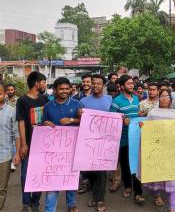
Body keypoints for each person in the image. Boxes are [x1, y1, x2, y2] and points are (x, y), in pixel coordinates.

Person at [42, 77, 80, 212]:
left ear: (70, 89)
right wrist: (46, 123)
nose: (64, 91)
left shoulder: (76, 104)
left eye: (67, 88)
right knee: (53, 183)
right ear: (55, 90)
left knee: (71, 178)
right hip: (53, 152)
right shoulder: (47, 106)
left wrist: (71, 119)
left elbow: (84, 121)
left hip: (73, 149)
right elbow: (42, 124)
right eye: (61, 89)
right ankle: (49, 209)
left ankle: (71, 204)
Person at [141, 89, 175, 212]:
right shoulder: (152, 113)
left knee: (174, 178)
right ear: (159, 98)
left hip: (173, 151)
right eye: (162, 96)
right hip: (157, 151)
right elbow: (147, 130)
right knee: (157, 175)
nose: (164, 98)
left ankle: (174, 208)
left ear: (171, 99)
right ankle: (157, 196)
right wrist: (143, 127)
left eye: (167, 96)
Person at [80, 74, 113, 212]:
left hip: (105, 142)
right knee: (91, 171)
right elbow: (80, 121)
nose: (95, 86)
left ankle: (99, 199)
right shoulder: (83, 102)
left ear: (103, 85)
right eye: (93, 83)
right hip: (88, 142)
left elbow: (114, 118)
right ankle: (93, 194)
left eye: (98, 83)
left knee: (101, 172)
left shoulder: (109, 99)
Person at [16, 71, 48, 212]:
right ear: (37, 83)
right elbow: (21, 122)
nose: (45, 84)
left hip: (43, 146)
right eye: (43, 82)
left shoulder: (45, 99)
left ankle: (35, 202)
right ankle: (25, 203)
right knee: (25, 175)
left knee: (40, 175)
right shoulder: (22, 100)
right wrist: (23, 144)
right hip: (29, 145)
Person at [110, 75, 145, 204]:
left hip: (136, 137)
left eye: (132, 83)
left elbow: (138, 115)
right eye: (129, 83)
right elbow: (112, 119)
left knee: (136, 164)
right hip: (123, 138)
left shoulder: (137, 99)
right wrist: (121, 120)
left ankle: (138, 192)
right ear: (122, 86)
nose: (132, 85)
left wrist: (140, 117)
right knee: (125, 165)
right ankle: (127, 186)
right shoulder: (116, 101)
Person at [0, 82, 20, 211]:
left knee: (1, 189)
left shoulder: (11, 111)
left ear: (5, 93)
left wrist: (17, 153)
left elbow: (16, 133)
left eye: (0, 93)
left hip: (4, 156)